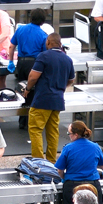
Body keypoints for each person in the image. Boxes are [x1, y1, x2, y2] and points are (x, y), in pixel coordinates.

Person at [25, 34, 76, 162]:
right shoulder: (67, 59)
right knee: (53, 132)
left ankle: (38, 162)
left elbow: (33, 77)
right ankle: (52, 162)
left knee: (36, 130)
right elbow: (71, 80)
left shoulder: (44, 56)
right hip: (57, 100)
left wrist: (27, 89)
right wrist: (59, 86)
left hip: (42, 99)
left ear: (48, 42)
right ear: (60, 44)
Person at [56, 121, 103, 204]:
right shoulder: (95, 147)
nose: (69, 135)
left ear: (76, 135)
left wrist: (63, 178)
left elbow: (59, 169)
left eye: (69, 133)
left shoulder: (68, 148)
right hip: (92, 186)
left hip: (72, 186)